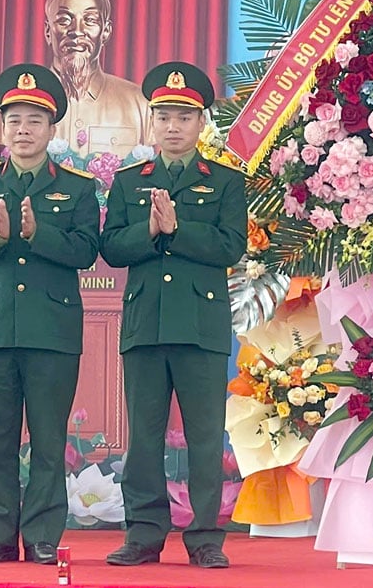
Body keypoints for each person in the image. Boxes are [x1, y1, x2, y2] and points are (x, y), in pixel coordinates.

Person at [0, 64, 101, 564]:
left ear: (51, 128)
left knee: (49, 442)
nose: (23, 130)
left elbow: (86, 251)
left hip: (52, 332)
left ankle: (42, 538)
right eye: (13, 120)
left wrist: (38, 234)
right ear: (1, 127)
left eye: (34, 121)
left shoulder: (76, 187)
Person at [101, 62, 246, 569]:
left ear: (201, 122)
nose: (172, 126)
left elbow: (231, 246)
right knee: (143, 435)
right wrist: (153, 230)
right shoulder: (127, 181)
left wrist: (178, 227)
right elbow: (112, 248)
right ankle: (143, 534)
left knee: (206, 435)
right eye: (163, 116)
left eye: (183, 116)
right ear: (152, 122)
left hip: (201, 327)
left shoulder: (225, 181)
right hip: (146, 325)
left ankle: (206, 536)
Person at [0, 0, 148, 157]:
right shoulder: (5, 101)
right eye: (64, 20)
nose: (76, 31)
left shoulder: (138, 103)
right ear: (48, 31)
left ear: (106, 31)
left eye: (90, 20)